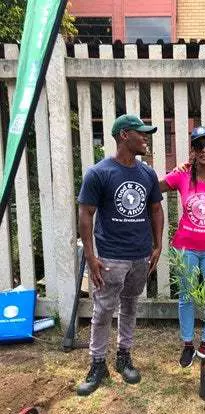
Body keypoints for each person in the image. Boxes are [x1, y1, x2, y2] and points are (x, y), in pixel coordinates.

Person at [76, 114, 164, 396]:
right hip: (110, 257)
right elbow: (86, 214)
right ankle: (97, 363)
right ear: (125, 135)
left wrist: (158, 244)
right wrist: (91, 256)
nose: (146, 138)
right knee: (102, 311)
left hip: (140, 256)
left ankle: (124, 356)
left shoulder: (147, 173)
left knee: (129, 306)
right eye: (142, 133)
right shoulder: (99, 173)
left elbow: (155, 209)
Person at [159, 127, 205, 368]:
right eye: (199, 146)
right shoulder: (182, 176)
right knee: (186, 297)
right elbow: (153, 188)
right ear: (193, 150)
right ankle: (188, 343)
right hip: (185, 247)